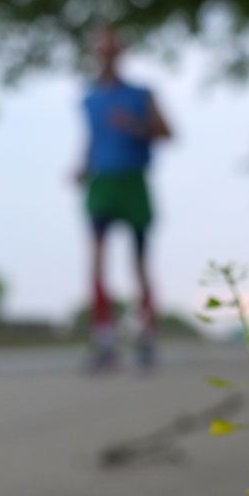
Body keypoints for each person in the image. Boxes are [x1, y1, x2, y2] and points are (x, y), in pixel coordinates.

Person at [77, 24, 172, 369]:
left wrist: (133, 125)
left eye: (111, 48)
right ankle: (103, 340)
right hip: (102, 181)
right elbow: (91, 140)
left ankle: (145, 338)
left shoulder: (141, 93)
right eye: (100, 48)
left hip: (134, 180)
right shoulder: (88, 98)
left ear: (120, 52)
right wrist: (82, 167)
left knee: (140, 263)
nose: (106, 54)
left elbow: (167, 132)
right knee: (97, 261)